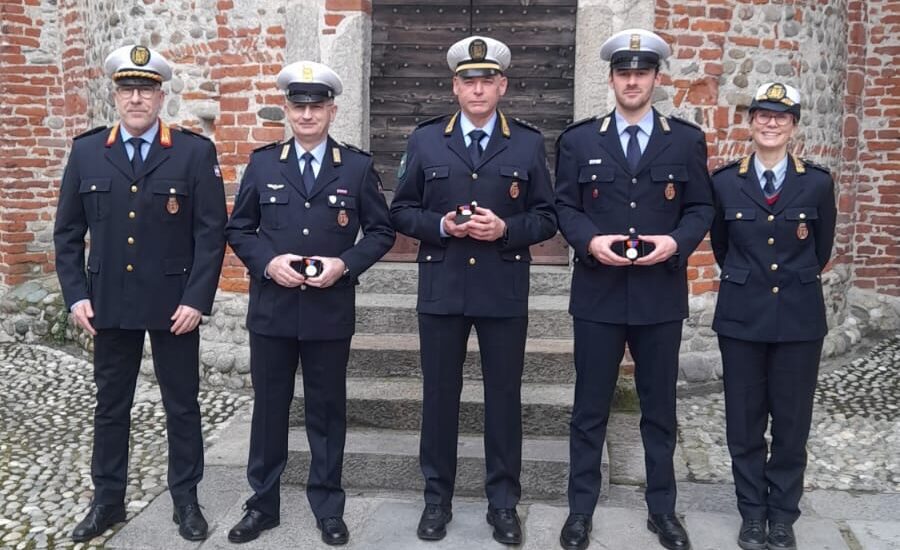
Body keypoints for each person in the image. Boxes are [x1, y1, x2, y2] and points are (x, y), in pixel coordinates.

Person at [53, 44, 227, 542]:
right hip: (107, 303)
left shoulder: (194, 152)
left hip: (175, 306)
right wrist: (75, 295)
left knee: (182, 405)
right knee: (111, 406)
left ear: (160, 96)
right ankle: (107, 502)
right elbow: (67, 233)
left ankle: (186, 502)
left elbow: (210, 233)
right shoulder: (87, 150)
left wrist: (196, 299)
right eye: (128, 89)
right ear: (115, 95)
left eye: (146, 90)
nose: (136, 99)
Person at [389, 35, 557, 545]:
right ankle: (436, 499)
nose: (478, 89)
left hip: (503, 289)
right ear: (454, 86)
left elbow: (547, 216)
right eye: (468, 80)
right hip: (442, 288)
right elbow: (399, 210)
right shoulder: (425, 140)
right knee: (440, 397)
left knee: (503, 399)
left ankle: (503, 502)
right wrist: (441, 226)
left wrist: (504, 230)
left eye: (487, 80)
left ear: (502, 85)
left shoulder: (526, 143)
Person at [554, 28, 715, 550]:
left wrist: (675, 243)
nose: (631, 81)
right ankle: (580, 510)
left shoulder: (685, 139)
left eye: (641, 73)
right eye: (623, 73)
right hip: (599, 293)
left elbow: (700, 208)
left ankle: (662, 510)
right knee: (589, 408)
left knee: (659, 409)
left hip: (658, 294)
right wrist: (587, 241)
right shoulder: (580, 140)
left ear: (655, 78)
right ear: (612, 78)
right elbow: (565, 207)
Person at [224, 60, 395, 546]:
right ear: (287, 110)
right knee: (269, 410)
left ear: (332, 111)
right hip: (273, 310)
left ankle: (327, 504)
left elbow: (381, 231)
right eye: (298, 106)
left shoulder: (357, 167)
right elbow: (239, 228)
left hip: (328, 310)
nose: (306, 115)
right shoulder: (263, 164)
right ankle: (262, 503)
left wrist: (346, 264)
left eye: (315, 106)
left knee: (326, 411)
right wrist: (266, 262)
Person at [710, 82, 836, 550]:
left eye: (780, 117)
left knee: (791, 422)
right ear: (750, 122)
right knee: (743, 423)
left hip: (800, 322)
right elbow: (722, 246)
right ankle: (751, 513)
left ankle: (782, 515)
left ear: (794, 125)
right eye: (762, 115)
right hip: (742, 319)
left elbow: (820, 251)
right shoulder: (725, 181)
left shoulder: (817, 182)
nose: (770, 123)